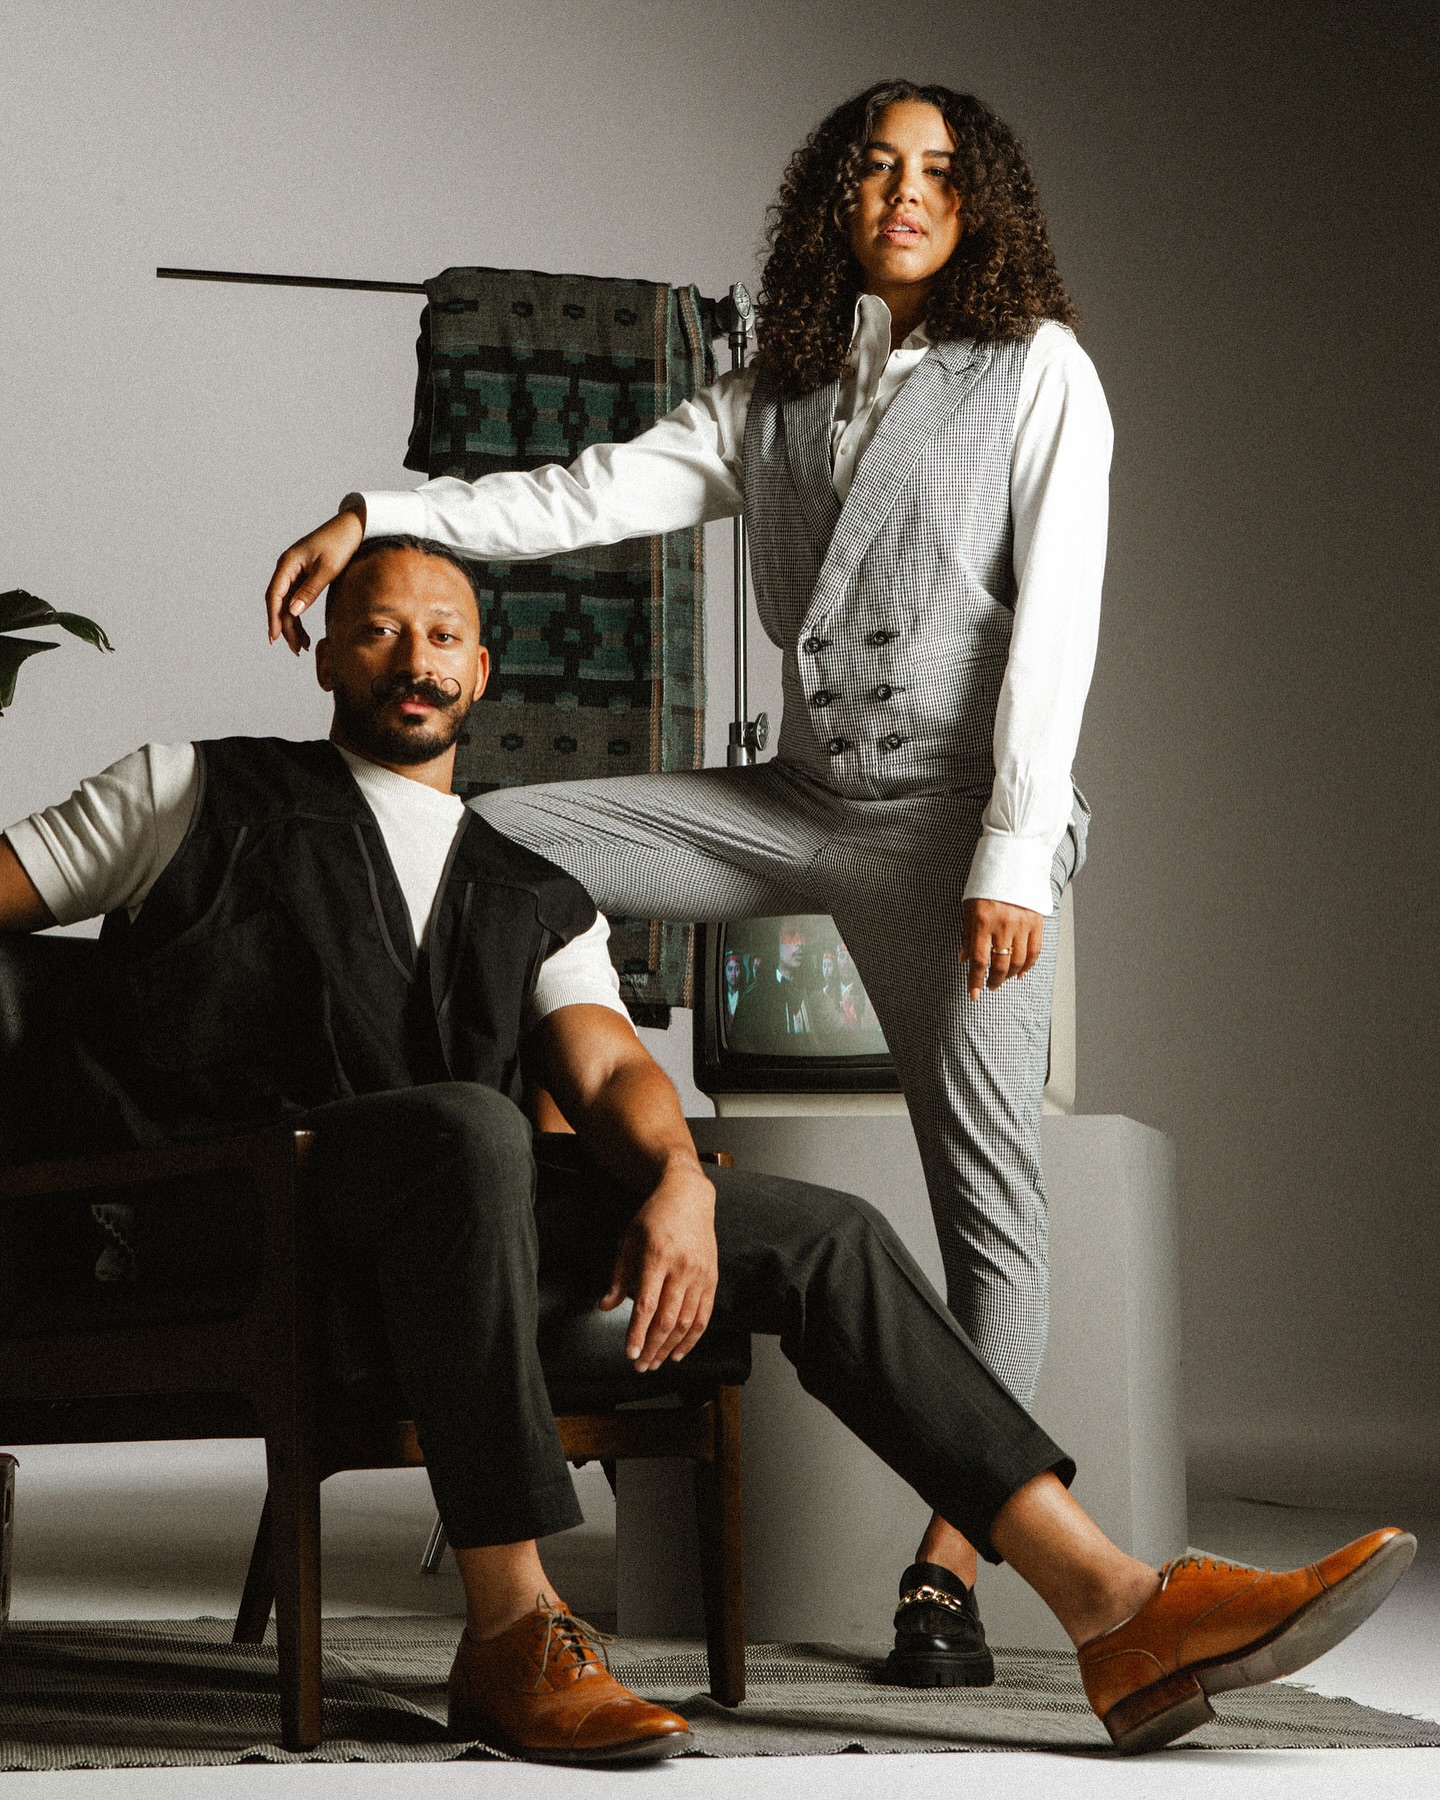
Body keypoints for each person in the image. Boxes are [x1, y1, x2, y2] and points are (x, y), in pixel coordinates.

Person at [0, 539, 1414, 1760]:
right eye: (378, 630)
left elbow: (611, 1066)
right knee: (474, 1124)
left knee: (821, 1234)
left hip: (454, 1219)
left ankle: (1115, 1606)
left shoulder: (531, 887)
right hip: (230, 1209)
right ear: (326, 655)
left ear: (481, 671)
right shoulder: (191, 791)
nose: (412, 659)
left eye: (442, 636)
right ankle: (511, 1628)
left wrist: (678, 1180)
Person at [260, 81, 1304, 1676]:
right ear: (835, 197)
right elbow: (582, 496)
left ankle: (951, 1576)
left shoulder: (1039, 372)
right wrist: (378, 514)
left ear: (980, 205)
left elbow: (1061, 628)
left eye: (938, 173)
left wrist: (1017, 851)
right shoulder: (772, 396)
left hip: (948, 831)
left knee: (993, 1223)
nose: (906, 194)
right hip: (801, 801)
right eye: (876, 169)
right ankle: (520, 1201)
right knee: (507, 843)